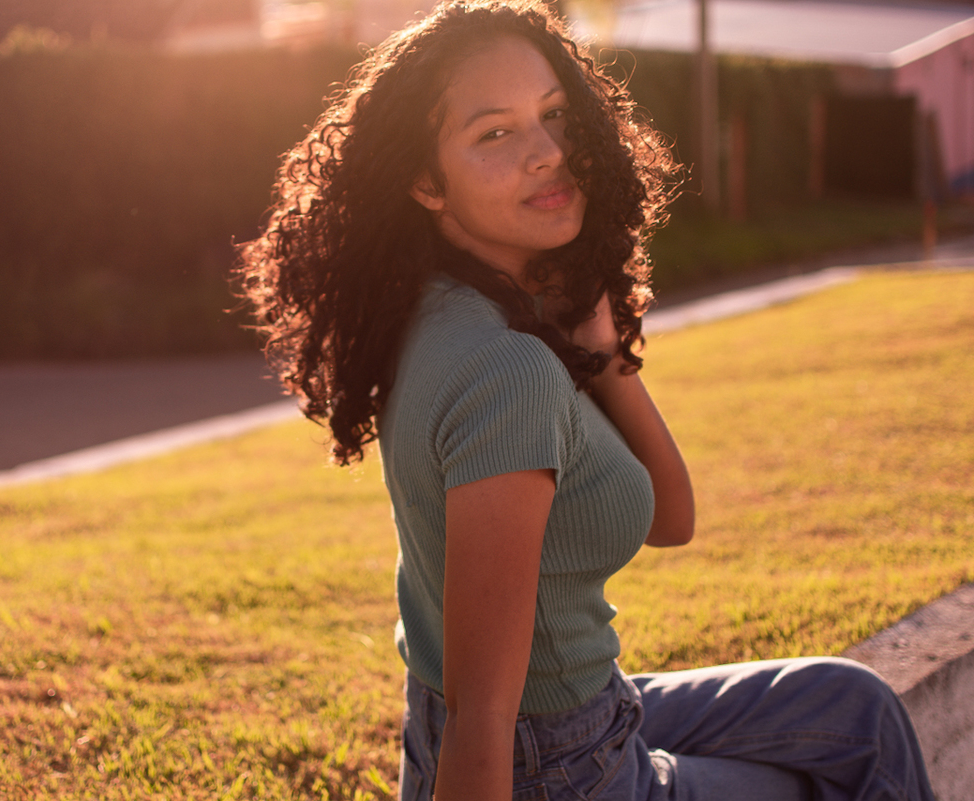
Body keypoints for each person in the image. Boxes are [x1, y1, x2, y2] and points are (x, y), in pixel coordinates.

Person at [235, 1, 936, 798]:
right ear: (427, 181)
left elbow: (673, 518)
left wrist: (604, 358)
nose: (548, 153)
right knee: (836, 775)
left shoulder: (442, 306)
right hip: (560, 766)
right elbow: (483, 717)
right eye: (494, 132)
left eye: (555, 115)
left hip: (550, 717)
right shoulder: (508, 372)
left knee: (857, 710)